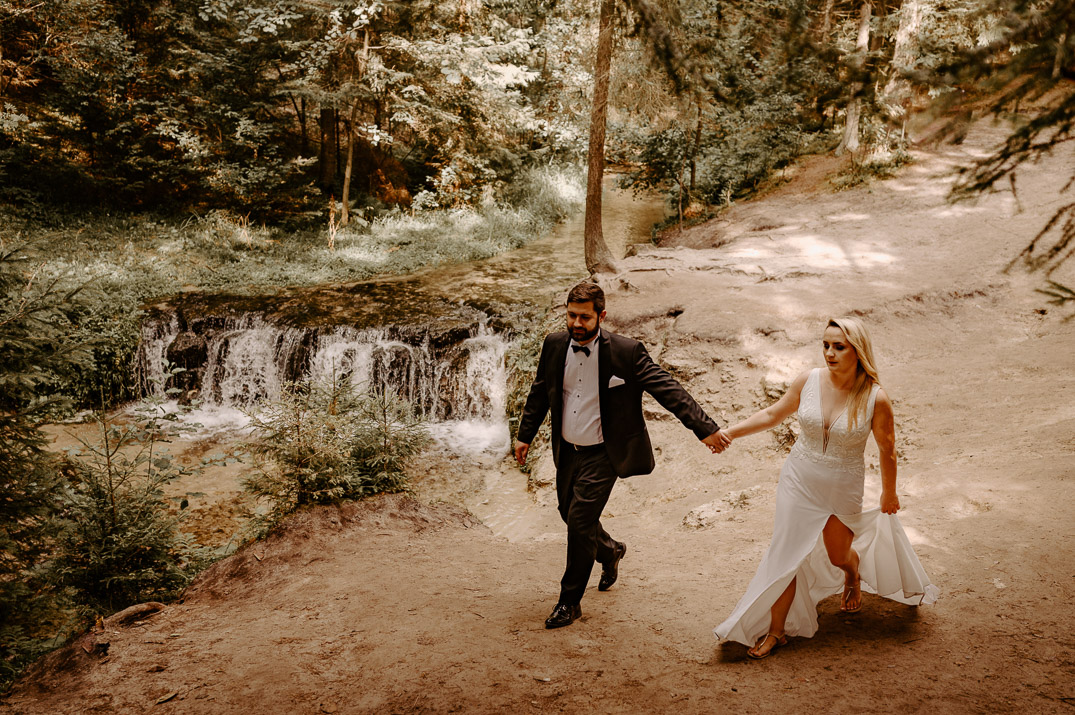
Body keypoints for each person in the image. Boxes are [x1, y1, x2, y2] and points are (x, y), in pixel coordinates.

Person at [714, 317, 939, 657]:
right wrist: (729, 433)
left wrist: (889, 492)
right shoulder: (808, 380)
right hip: (798, 478)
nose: (829, 353)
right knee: (785, 553)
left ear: (857, 351)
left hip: (842, 485)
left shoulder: (876, 398)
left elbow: (888, 449)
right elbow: (773, 414)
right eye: (825, 345)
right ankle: (777, 631)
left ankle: (852, 573)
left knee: (838, 555)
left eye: (839, 347)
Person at [515, 281, 730, 629]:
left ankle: (569, 601)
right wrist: (525, 435)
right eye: (571, 315)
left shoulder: (626, 352)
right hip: (567, 450)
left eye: (585, 317)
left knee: (580, 521)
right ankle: (611, 550)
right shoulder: (554, 345)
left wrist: (704, 428)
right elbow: (541, 391)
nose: (576, 324)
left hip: (605, 452)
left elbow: (667, 388)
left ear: (601, 316)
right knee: (568, 513)